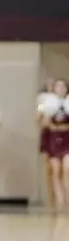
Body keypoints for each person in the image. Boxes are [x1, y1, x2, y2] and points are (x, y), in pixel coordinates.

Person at [42, 80, 69, 211]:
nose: (60, 88)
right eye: (58, 86)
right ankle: (60, 201)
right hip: (54, 139)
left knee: (67, 168)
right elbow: (44, 122)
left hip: (67, 138)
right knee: (56, 171)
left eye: (63, 86)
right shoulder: (48, 102)